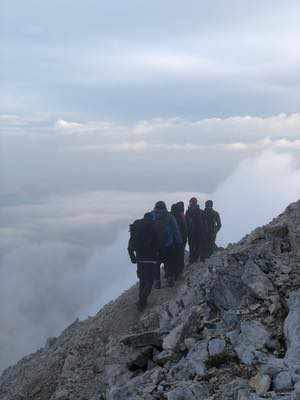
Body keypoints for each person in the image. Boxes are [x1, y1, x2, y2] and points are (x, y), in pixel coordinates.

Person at [128, 212, 160, 311]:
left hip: (139, 258)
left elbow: (130, 244)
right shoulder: (152, 226)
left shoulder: (137, 226)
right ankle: (142, 301)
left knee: (142, 280)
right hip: (150, 258)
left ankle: (141, 300)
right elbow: (157, 243)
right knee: (149, 281)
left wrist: (132, 256)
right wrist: (158, 256)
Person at [151, 201, 182, 287]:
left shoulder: (151, 216)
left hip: (155, 246)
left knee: (156, 264)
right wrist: (179, 242)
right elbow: (176, 230)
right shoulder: (169, 216)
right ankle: (169, 279)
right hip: (168, 244)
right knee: (168, 262)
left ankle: (157, 281)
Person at [185, 197, 206, 264]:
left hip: (193, 232)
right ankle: (194, 259)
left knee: (193, 246)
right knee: (195, 246)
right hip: (196, 232)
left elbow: (186, 222)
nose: (191, 204)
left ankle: (193, 260)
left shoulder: (189, 212)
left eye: (191, 202)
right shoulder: (200, 211)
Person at [171, 202, 187, 279]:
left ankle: (171, 273)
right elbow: (184, 229)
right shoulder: (181, 217)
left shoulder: (169, 217)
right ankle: (179, 273)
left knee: (172, 257)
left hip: (170, 242)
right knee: (180, 257)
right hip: (179, 241)